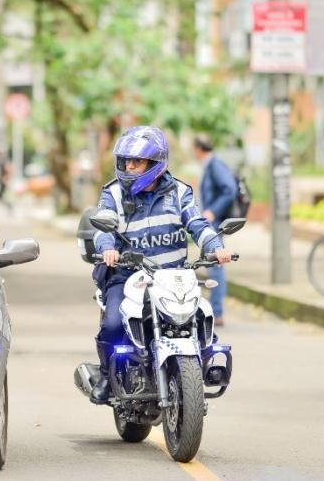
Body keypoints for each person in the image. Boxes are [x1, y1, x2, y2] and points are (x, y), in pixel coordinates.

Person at [90, 126, 233, 404]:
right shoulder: (114, 193)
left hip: (172, 276)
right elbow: (103, 225)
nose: (129, 166)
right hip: (128, 275)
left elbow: (197, 223)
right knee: (112, 324)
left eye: (136, 161)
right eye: (126, 160)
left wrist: (216, 248)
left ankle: (204, 365)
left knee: (201, 316)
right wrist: (107, 248)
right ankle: (108, 376)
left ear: (155, 164)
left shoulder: (180, 193)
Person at [193, 134, 237, 327]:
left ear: (198, 149)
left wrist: (212, 211)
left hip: (213, 221)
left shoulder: (215, 166)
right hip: (209, 221)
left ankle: (217, 312)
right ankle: (213, 311)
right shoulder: (210, 165)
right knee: (213, 266)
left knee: (216, 265)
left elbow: (230, 189)